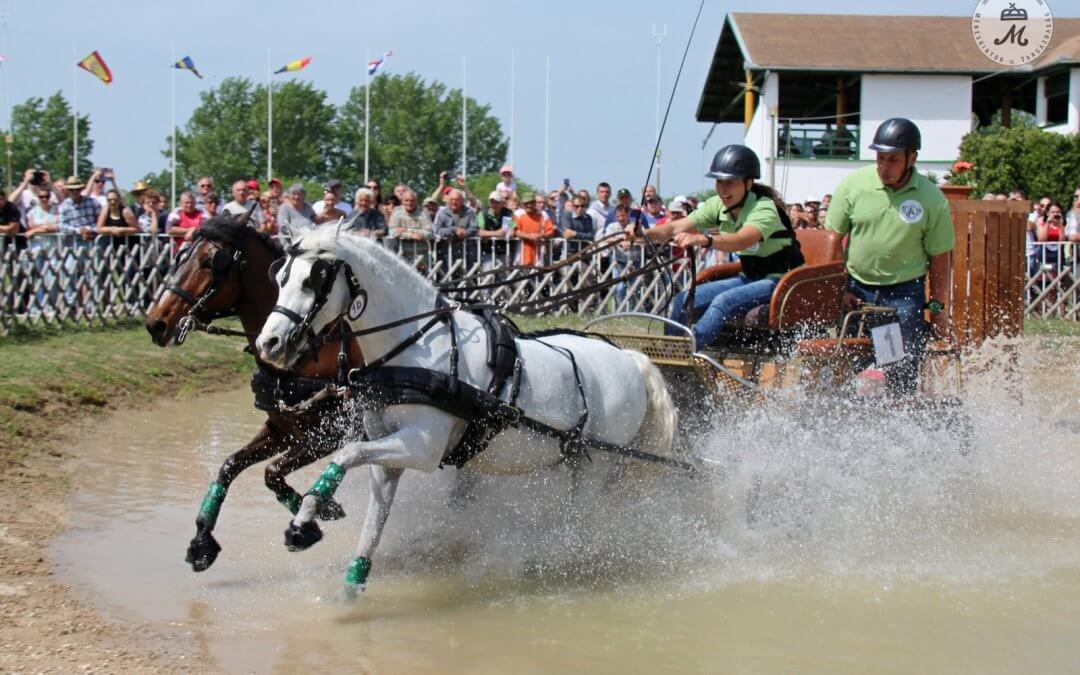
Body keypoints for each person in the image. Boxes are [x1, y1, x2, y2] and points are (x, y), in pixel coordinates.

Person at [825, 117, 954, 394]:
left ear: (912, 157)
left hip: (905, 295)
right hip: (857, 290)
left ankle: (899, 421)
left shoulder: (932, 199)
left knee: (899, 365)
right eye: (880, 158)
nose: (884, 167)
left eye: (893, 159)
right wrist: (839, 288)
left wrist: (938, 311)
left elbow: (940, 259)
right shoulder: (853, 185)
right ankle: (848, 422)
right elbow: (832, 240)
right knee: (850, 363)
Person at [632, 145, 804, 348]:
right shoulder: (717, 205)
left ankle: (687, 349)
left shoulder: (764, 207)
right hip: (748, 278)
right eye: (719, 181)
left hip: (782, 282)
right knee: (682, 299)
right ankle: (670, 350)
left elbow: (742, 240)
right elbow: (678, 226)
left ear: (748, 183)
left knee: (723, 301)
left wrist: (705, 240)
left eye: (730, 182)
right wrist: (644, 234)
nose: (723, 188)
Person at [513, 192, 556, 266]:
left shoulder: (544, 214)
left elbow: (551, 231)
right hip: (521, 256)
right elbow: (514, 230)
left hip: (538, 257)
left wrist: (540, 235)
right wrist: (530, 236)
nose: (529, 205)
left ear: (535, 203)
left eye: (531, 203)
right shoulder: (516, 214)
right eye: (526, 203)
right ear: (522, 204)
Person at [476, 191, 515, 267]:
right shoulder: (483, 214)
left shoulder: (508, 213)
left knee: (505, 277)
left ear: (502, 203)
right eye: (492, 202)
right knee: (487, 276)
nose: (494, 205)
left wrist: (505, 233)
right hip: (487, 251)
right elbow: (479, 232)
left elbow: (511, 231)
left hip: (504, 251)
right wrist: (496, 233)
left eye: (497, 202)